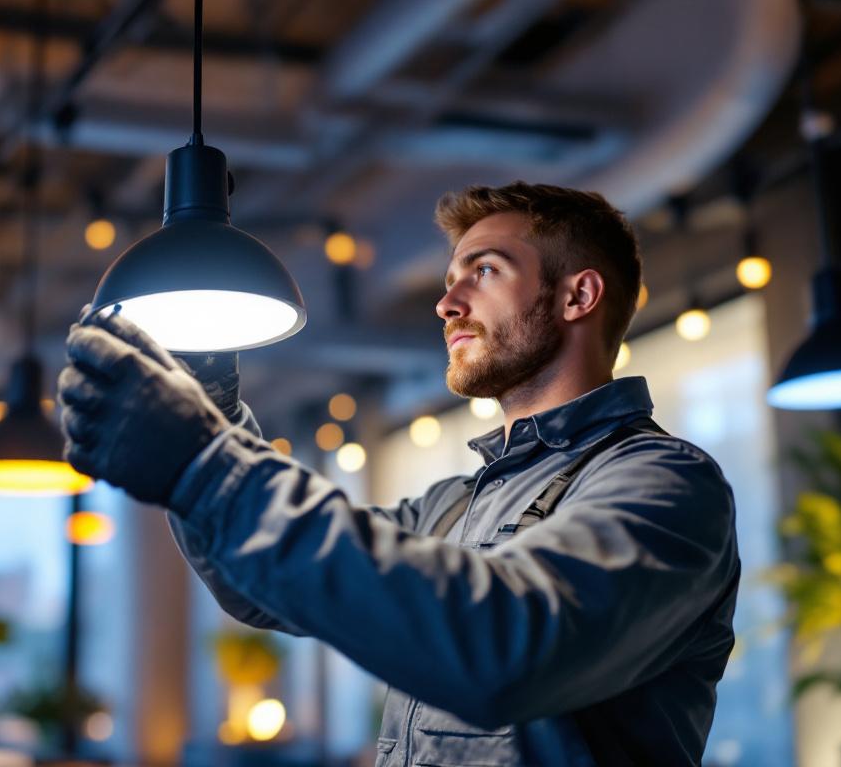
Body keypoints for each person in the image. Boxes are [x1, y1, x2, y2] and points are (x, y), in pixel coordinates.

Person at [58, 182, 741, 766]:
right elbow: (259, 592)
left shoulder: (667, 483)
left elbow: (506, 646)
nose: (448, 304)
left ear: (577, 296)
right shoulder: (454, 504)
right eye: (450, 281)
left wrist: (205, 464)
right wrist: (213, 409)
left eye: (486, 271)